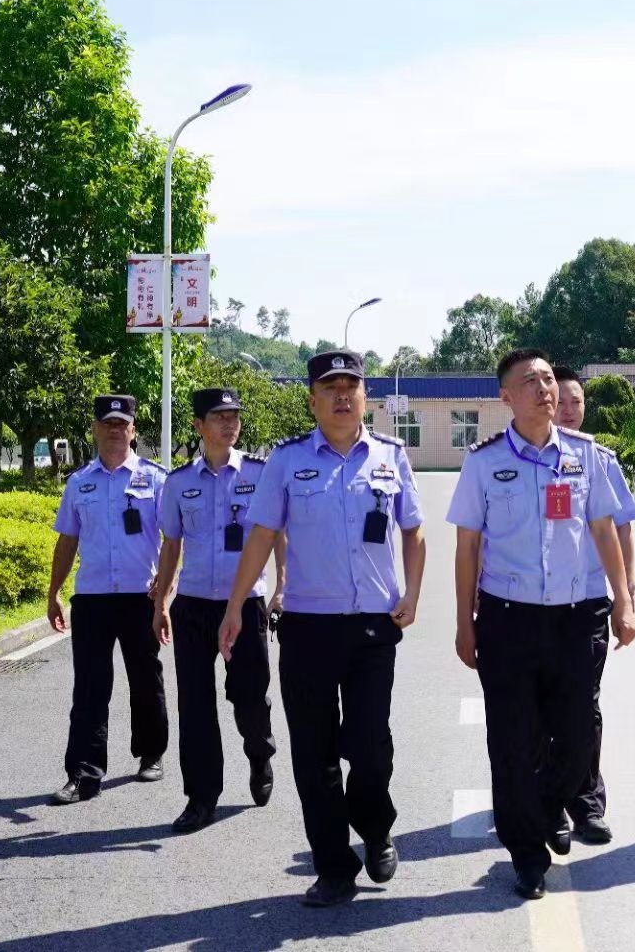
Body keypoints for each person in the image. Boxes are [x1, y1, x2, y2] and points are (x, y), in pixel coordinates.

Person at [218, 349, 426, 908]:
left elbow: (414, 530)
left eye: (350, 387)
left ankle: (377, 830)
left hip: (372, 629)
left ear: (365, 398)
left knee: (369, 746)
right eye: (329, 387)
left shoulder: (390, 456)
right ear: (312, 399)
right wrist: (237, 606)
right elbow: (261, 534)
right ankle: (334, 866)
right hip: (308, 627)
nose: (340, 396)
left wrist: (412, 592)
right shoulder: (285, 462)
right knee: (314, 754)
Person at [448, 350, 635, 900]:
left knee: (577, 733)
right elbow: (467, 547)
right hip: (508, 618)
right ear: (506, 397)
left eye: (549, 378)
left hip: (580, 617)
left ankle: (551, 806)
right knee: (512, 741)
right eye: (529, 381)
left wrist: (624, 602)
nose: (544, 388)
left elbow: (606, 531)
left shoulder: (588, 455)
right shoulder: (483, 463)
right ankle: (527, 854)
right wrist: (465, 622)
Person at [152, 386, 285, 833]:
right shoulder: (178, 483)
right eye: (219, 416)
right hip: (192, 605)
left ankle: (260, 753)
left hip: (245, 604)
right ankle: (201, 797)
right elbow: (172, 544)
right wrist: (162, 599)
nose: (230, 423)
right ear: (198, 426)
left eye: (234, 416)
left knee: (248, 697)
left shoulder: (260, 474)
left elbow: (277, 535)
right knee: (195, 705)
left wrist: (282, 584)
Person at [47, 395, 171, 805]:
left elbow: (174, 540)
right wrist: (54, 592)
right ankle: (82, 773)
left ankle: (151, 753)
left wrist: (165, 593)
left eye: (123, 424)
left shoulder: (156, 479)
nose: (115, 430)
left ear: (134, 430)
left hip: (141, 597)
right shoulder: (79, 482)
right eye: (108, 424)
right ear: (96, 429)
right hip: (94, 599)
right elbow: (67, 541)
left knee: (145, 679)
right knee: (89, 689)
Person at [551, 366, 635, 845]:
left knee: (585, 706)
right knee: (543, 709)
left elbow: (622, 527)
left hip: (587, 600)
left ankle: (586, 803)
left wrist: (627, 596)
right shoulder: (517, 458)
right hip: (531, 606)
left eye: (576, 401)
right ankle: (551, 802)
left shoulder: (599, 460)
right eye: (561, 400)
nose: (568, 409)